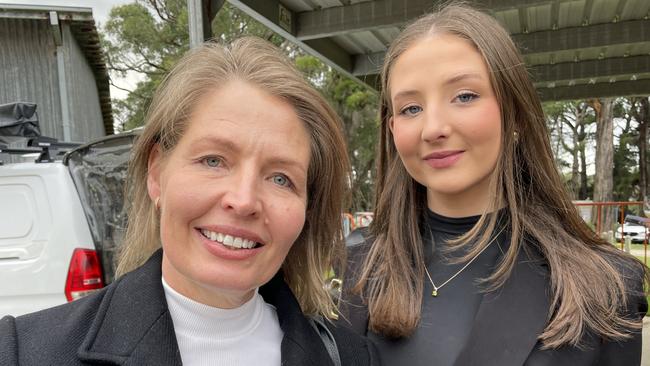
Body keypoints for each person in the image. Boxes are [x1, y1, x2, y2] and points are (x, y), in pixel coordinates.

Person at [0, 37, 379, 366]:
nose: (244, 200)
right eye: (213, 160)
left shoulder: (352, 359)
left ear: (307, 210)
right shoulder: (22, 353)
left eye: (281, 178)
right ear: (156, 172)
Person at [339, 3, 648, 366]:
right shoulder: (360, 263)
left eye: (464, 96)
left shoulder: (606, 287)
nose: (433, 127)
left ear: (514, 113)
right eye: (410, 108)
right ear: (393, 130)